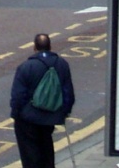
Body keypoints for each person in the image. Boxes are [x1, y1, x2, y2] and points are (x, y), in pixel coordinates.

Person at [9, 33, 75, 168]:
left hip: (28, 118)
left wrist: (16, 114)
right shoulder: (62, 64)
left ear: (35, 47)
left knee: (30, 155)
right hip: (50, 117)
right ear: (50, 47)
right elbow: (68, 92)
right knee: (46, 149)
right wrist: (64, 112)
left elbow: (18, 96)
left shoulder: (26, 67)